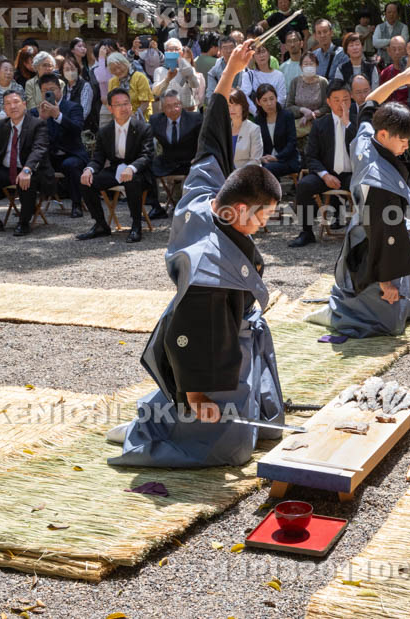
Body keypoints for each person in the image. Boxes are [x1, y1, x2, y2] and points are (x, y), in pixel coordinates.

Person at [107, 39, 286, 468]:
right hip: (208, 341)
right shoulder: (211, 265)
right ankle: (152, 424)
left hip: (224, 323)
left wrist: (230, 71)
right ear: (239, 208)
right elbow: (179, 337)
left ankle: (151, 413)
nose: (264, 226)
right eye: (262, 218)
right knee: (230, 447)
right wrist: (195, 394)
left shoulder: (203, 190)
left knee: (257, 423)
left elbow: (212, 136)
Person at [319, 65, 410, 338]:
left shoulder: (366, 139)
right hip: (376, 237)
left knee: (407, 251)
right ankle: (352, 313)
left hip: (381, 224)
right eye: (402, 140)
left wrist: (403, 79)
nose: (407, 146)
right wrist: (386, 282)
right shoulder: (377, 180)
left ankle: (407, 304)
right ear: (384, 135)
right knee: (389, 317)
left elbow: (370, 102)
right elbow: (384, 235)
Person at [0, 89, 52, 237]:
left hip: (32, 170)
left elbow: (39, 149)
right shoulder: (1, 125)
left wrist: (27, 169)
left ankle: (24, 222)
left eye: (16, 102)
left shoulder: (37, 124)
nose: (13, 106)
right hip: (6, 170)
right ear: (4, 108)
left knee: (26, 179)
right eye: (8, 104)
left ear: (24, 104)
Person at [77, 88, 154, 243]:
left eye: (126, 104)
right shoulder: (105, 131)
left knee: (131, 180)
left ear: (131, 106)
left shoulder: (143, 128)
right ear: (110, 109)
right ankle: (101, 225)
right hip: (115, 170)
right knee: (86, 181)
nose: (123, 108)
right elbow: (98, 158)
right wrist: (89, 169)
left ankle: (136, 225)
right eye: (118, 105)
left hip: (139, 172)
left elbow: (147, 155)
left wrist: (131, 168)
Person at [288, 80, 357, 247]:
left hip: (352, 174)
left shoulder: (359, 122)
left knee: (365, 186)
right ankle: (306, 232)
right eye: (337, 100)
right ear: (328, 101)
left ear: (351, 99)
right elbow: (311, 156)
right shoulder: (320, 124)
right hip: (327, 172)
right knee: (304, 185)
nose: (342, 104)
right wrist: (325, 175)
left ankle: (362, 231)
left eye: (346, 99)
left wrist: (348, 124)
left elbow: (364, 151)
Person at [29, 73, 89, 219]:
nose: (50, 93)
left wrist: (58, 116)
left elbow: (76, 129)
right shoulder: (35, 112)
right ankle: (29, 207)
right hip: (48, 156)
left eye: (53, 89)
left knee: (71, 165)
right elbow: (29, 137)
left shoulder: (73, 107)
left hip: (71, 153)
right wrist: (41, 119)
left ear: (60, 89)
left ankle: (76, 204)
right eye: (45, 91)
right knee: (30, 164)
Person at [146, 90, 202, 220]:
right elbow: (146, 142)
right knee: (145, 167)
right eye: (168, 106)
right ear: (162, 108)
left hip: (189, 161)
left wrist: (198, 157)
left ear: (181, 104)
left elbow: (204, 142)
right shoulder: (155, 120)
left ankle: (191, 208)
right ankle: (156, 207)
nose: (173, 109)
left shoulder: (195, 119)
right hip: (168, 160)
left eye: (176, 105)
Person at [253, 83, 299, 178]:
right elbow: (257, 144)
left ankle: (274, 192)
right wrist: (261, 158)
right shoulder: (258, 120)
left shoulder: (287, 116)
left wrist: (277, 157)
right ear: (258, 102)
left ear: (276, 98)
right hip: (267, 160)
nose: (269, 103)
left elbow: (292, 143)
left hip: (287, 160)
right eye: (264, 100)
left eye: (271, 98)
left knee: (267, 169)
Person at [151, 37, 201, 113]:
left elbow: (195, 85)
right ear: (165, 52)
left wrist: (188, 72)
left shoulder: (188, 68)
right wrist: (167, 79)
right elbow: (155, 92)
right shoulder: (159, 70)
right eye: (170, 49)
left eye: (177, 49)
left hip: (186, 111)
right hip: (167, 112)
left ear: (181, 52)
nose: (174, 51)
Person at [239, 42, 286, 115]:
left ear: (268, 53)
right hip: (257, 116)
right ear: (253, 57)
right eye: (257, 53)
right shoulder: (248, 75)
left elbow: (282, 97)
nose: (261, 55)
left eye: (263, 51)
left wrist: (273, 112)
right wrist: (256, 112)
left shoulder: (279, 75)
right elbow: (244, 96)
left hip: (276, 115)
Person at [285, 52, 328, 128]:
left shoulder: (323, 82)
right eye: (305, 64)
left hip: (319, 125)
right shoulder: (295, 82)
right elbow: (288, 106)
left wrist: (313, 114)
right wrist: (303, 110)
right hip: (298, 125)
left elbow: (327, 106)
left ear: (317, 65)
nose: (308, 66)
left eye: (311, 64)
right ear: (301, 66)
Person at [107, 53, 152, 121]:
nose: (118, 71)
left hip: (140, 119)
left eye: (119, 67)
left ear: (125, 63)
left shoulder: (139, 77)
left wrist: (133, 117)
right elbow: (111, 104)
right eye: (114, 69)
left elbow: (145, 103)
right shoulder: (112, 82)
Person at [227, 88, 263, 169]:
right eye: (229, 105)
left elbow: (256, 160)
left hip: (246, 175)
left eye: (236, 105)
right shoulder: (224, 129)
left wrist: (237, 175)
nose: (232, 109)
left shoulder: (254, 129)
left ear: (243, 106)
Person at [60, 54, 93, 125]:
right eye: (67, 69)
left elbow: (85, 111)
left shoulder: (85, 86)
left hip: (79, 125)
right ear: (62, 72)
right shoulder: (63, 86)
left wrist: (71, 123)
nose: (70, 72)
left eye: (72, 69)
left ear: (77, 69)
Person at [378, 36, 410, 104]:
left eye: (400, 49)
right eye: (394, 49)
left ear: (406, 51)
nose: (397, 52)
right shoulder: (385, 73)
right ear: (389, 51)